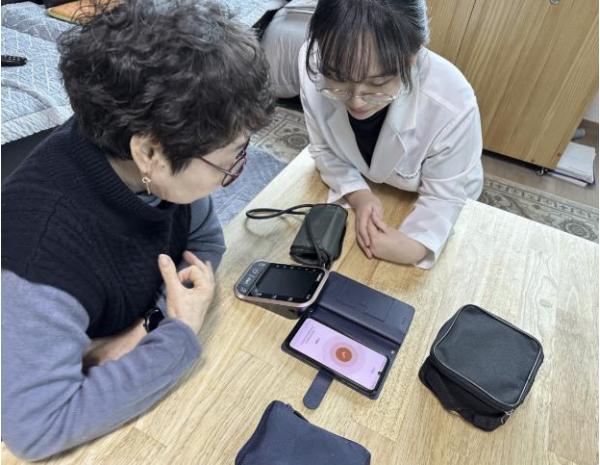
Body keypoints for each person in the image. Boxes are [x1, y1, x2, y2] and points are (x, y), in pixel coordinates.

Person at [1, 0, 274, 460]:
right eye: (228, 162)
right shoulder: (41, 257)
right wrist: (180, 331)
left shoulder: (156, 165)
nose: (231, 175)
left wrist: (148, 326)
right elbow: (37, 429)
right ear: (149, 152)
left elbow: (205, 242)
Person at [299, 0, 484, 268]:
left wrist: (417, 246)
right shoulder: (315, 64)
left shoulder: (452, 102)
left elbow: (444, 197)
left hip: (445, 193)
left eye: (377, 83)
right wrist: (359, 195)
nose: (356, 101)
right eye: (339, 81)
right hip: (375, 188)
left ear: (413, 56)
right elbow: (323, 149)